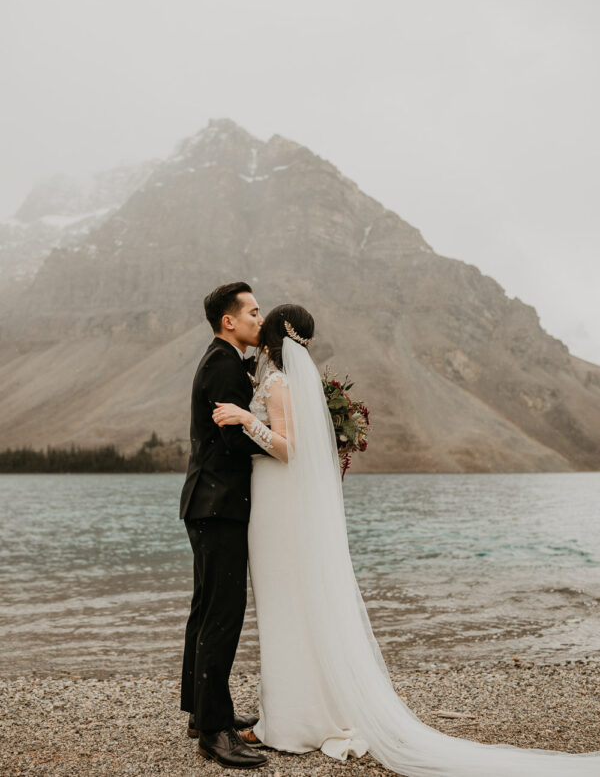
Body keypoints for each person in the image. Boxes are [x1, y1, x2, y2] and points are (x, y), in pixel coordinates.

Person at [212, 303, 600, 776]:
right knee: (291, 604)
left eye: (259, 319)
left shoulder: (276, 383)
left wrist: (244, 419)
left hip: (275, 502)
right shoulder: (290, 382)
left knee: (283, 606)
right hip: (279, 503)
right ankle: (298, 713)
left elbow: (289, 447)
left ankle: (289, 723)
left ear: (272, 337)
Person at [179, 282, 269, 770]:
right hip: (219, 506)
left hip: (208, 505)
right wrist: (282, 442)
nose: (261, 318)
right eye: (253, 312)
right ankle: (214, 732)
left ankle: (202, 712)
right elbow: (234, 443)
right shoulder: (222, 364)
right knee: (222, 613)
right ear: (229, 321)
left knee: (205, 608)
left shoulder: (223, 360)